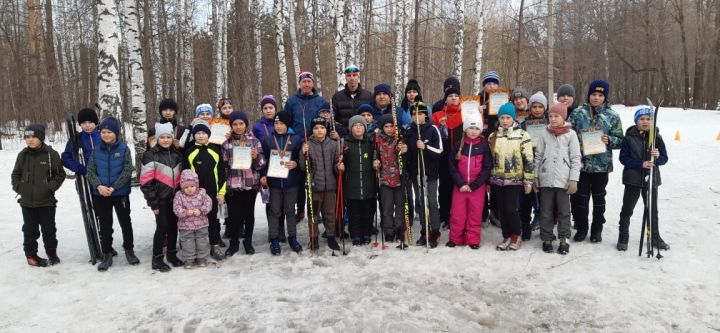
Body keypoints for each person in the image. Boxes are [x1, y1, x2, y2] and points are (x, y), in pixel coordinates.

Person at [567, 80, 623, 242]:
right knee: (581, 199)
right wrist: (576, 144)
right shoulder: (578, 113)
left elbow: (621, 140)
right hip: (582, 165)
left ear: (605, 97)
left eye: (600, 95)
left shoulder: (612, 115)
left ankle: (597, 230)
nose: (596, 98)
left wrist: (609, 139)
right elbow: (568, 135)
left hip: (601, 166)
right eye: (594, 94)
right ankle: (582, 228)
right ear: (589, 95)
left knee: (599, 199)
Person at [87, 117, 138, 271]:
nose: (106, 135)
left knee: (125, 222)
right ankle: (107, 253)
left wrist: (114, 187)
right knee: (105, 224)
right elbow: (90, 171)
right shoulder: (96, 150)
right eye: (103, 132)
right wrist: (99, 186)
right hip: (101, 195)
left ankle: (129, 249)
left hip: (120, 193)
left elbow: (128, 169)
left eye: (109, 132)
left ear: (116, 133)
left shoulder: (124, 149)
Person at [12, 124, 66, 267]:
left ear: (41, 137)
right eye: (27, 137)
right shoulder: (22, 155)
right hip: (27, 202)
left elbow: (60, 174)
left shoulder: (50, 154)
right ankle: (31, 255)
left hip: (46, 201)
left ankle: (51, 252)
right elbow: (15, 174)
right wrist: (19, 187)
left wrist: (50, 188)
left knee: (49, 229)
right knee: (30, 230)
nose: (30, 140)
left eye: (33, 137)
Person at [617, 107, 669, 251]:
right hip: (632, 179)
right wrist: (640, 163)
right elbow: (623, 158)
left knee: (652, 210)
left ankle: (654, 237)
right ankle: (623, 236)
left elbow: (665, 158)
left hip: (651, 179)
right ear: (636, 121)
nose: (645, 122)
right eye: (642, 119)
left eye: (648, 119)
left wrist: (657, 157)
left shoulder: (656, 138)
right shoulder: (629, 138)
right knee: (627, 209)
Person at [534, 103, 581, 255]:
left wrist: (573, 179)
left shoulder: (571, 134)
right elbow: (538, 156)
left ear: (564, 117)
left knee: (564, 211)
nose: (553, 119)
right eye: (551, 116)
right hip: (546, 178)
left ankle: (564, 238)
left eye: (557, 116)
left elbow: (575, 158)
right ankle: (547, 238)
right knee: (546, 211)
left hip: (563, 180)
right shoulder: (544, 133)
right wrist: (535, 175)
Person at [139, 122, 185, 272]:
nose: (165, 140)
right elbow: (145, 182)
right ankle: (157, 258)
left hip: (175, 199)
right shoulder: (150, 155)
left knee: (173, 227)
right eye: (162, 137)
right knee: (162, 227)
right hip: (161, 200)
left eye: (168, 137)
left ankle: (172, 254)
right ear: (157, 138)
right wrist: (153, 202)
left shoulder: (178, 155)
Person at [490, 103, 534, 251]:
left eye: (508, 117)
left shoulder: (522, 135)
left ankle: (516, 235)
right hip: (497, 179)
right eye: (502, 117)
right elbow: (489, 159)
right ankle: (506, 235)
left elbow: (528, 159)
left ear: (513, 118)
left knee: (510, 209)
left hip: (514, 179)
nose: (505, 120)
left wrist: (528, 181)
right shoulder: (493, 136)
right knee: (501, 210)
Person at [221, 111, 265, 256]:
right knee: (234, 216)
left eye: (241, 123)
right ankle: (234, 243)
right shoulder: (226, 144)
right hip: (233, 186)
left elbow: (261, 165)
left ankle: (248, 241)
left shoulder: (254, 141)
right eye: (235, 124)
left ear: (246, 124)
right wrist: (225, 186)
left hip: (249, 185)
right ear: (231, 125)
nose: (238, 127)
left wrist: (256, 156)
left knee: (249, 215)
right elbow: (224, 166)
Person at [260, 111, 304, 255]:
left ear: (288, 124)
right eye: (276, 123)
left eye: (282, 124)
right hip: (274, 183)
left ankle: (292, 237)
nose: (278, 126)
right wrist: (263, 175)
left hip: (291, 182)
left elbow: (301, 160)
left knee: (290, 211)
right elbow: (263, 161)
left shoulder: (296, 139)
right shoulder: (268, 140)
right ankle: (274, 239)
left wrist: (296, 163)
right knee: (274, 212)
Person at [184, 120, 227, 260]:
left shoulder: (215, 151)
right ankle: (198, 249)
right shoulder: (190, 152)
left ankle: (214, 245)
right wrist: (187, 194)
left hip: (213, 194)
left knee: (213, 220)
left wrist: (221, 193)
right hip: (194, 195)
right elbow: (184, 175)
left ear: (208, 135)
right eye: (198, 133)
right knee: (196, 222)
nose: (201, 136)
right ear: (194, 135)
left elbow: (221, 174)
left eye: (204, 133)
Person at [447, 114, 491, 249]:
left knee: (475, 214)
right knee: (457, 214)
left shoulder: (484, 146)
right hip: (460, 187)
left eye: (476, 128)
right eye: (471, 128)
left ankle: (473, 240)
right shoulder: (458, 145)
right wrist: (460, 183)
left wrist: (475, 185)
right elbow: (451, 165)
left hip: (476, 187)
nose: (473, 131)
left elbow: (487, 167)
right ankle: (455, 238)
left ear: (480, 130)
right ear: (465, 129)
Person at [405, 102, 443, 247]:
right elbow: (408, 152)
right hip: (416, 174)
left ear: (425, 115)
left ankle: (435, 231)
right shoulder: (409, 130)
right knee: (420, 203)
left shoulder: (432, 129)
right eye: (414, 114)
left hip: (430, 174)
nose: (417, 117)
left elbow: (439, 151)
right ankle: (424, 230)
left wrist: (425, 147)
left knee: (431, 202)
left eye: (420, 114)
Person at [300, 117, 341, 250]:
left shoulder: (333, 144)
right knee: (314, 214)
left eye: (322, 128)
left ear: (326, 129)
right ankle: (314, 238)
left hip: (330, 186)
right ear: (312, 130)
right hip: (314, 187)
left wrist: (339, 167)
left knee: (329, 213)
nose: (319, 130)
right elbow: (303, 167)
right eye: (316, 128)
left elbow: (336, 164)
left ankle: (331, 236)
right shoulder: (308, 145)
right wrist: (303, 153)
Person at [373, 114, 409, 247]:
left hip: (400, 179)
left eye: (392, 126)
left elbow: (408, 158)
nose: (389, 129)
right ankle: (388, 231)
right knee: (387, 207)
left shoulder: (401, 139)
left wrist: (405, 151)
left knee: (400, 206)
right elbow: (375, 155)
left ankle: (399, 228)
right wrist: (375, 162)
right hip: (385, 180)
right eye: (386, 126)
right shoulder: (377, 141)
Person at [341, 115, 378, 245]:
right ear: (350, 128)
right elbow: (340, 161)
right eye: (355, 125)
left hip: (368, 184)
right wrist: (340, 165)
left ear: (365, 128)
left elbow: (376, 158)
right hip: (352, 184)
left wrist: (376, 162)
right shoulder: (345, 143)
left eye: (361, 125)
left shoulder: (370, 143)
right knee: (354, 212)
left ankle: (367, 233)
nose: (358, 127)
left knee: (367, 212)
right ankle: (355, 234)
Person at [431, 86, 462, 230]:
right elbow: (431, 134)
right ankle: (444, 214)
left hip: (460, 156)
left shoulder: (465, 113)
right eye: (450, 96)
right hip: (442, 157)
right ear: (446, 99)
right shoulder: (437, 115)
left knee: (458, 185)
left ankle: (456, 214)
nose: (453, 98)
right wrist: (438, 125)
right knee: (444, 186)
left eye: (456, 95)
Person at [519, 91, 548, 240]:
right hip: (527, 165)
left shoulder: (550, 123)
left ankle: (544, 227)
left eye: (540, 106)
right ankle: (525, 227)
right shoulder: (523, 125)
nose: (537, 109)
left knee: (544, 199)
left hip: (545, 165)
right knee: (526, 197)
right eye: (534, 106)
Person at [173, 169, 213, 268]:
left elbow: (209, 204)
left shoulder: (202, 194)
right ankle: (188, 259)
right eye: (186, 187)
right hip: (186, 226)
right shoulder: (179, 196)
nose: (189, 189)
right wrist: (185, 212)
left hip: (201, 224)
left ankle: (202, 258)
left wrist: (201, 210)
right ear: (182, 187)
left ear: (196, 185)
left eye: (192, 186)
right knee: (187, 242)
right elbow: (176, 208)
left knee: (201, 241)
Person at [332, 65, 375, 134]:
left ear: (358, 77)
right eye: (349, 75)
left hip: (364, 137)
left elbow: (373, 117)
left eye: (354, 75)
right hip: (344, 136)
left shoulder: (369, 96)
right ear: (345, 78)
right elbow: (334, 119)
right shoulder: (337, 97)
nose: (352, 78)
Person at [62, 108, 101, 177]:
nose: (87, 125)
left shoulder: (104, 136)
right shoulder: (76, 139)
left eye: (90, 122)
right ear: (80, 124)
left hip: (106, 177)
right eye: (84, 123)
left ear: (95, 122)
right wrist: (82, 169)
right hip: (85, 178)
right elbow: (66, 159)